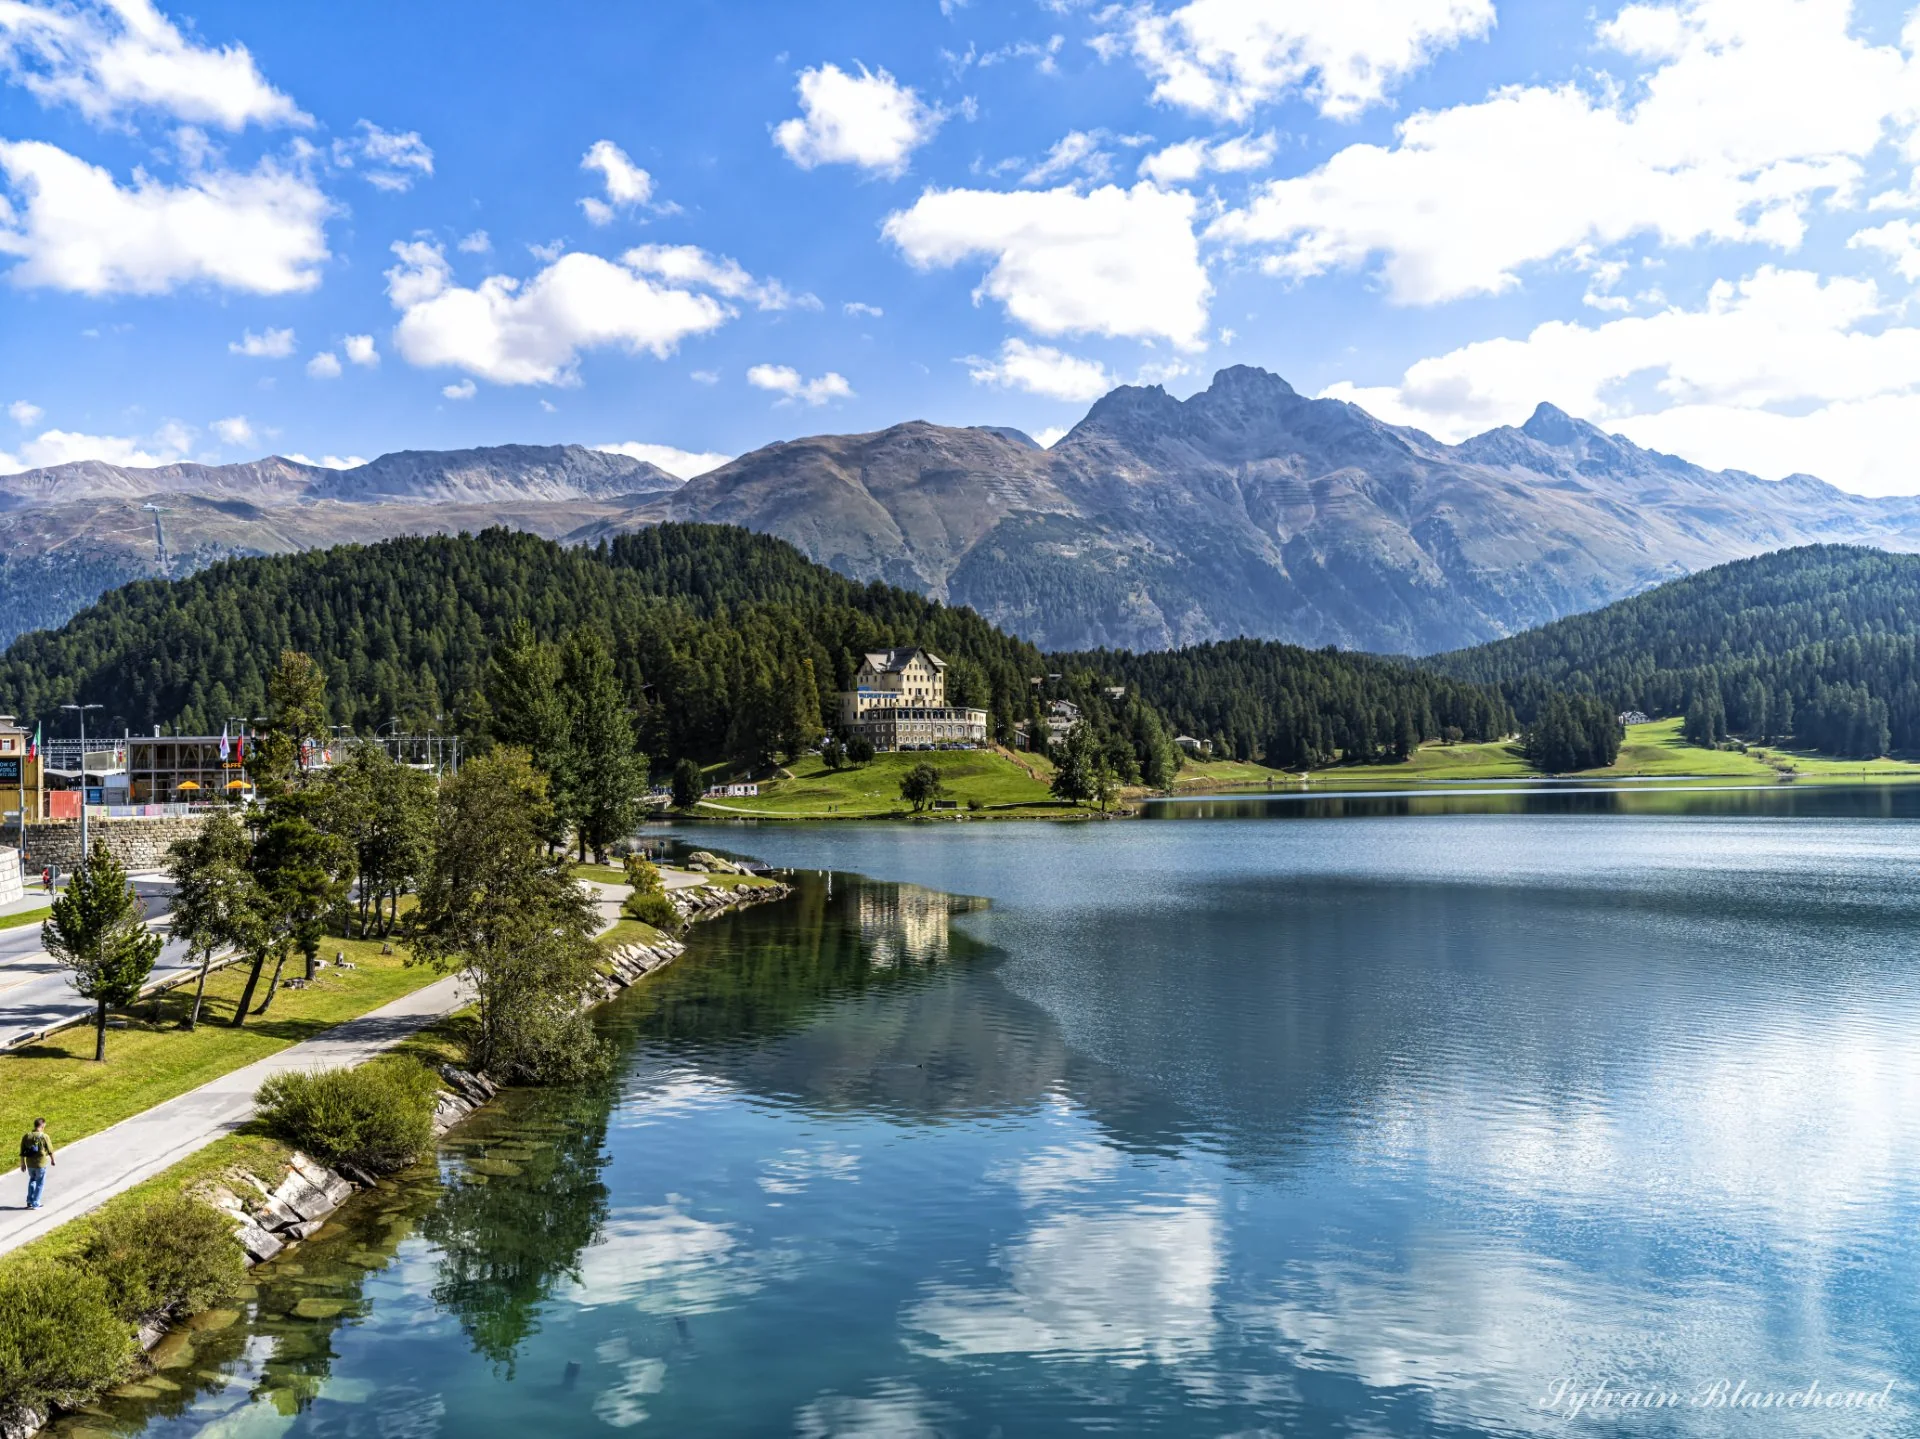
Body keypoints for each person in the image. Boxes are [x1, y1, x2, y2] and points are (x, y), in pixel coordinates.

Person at [19, 1118, 53, 1209]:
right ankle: (36, 1203)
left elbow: (22, 1151)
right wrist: (53, 1160)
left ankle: (29, 1201)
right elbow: (50, 1150)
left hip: (30, 1164)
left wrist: (23, 1163)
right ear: (42, 1126)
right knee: (40, 1183)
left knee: (32, 1180)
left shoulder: (26, 1136)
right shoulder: (44, 1136)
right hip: (40, 1163)